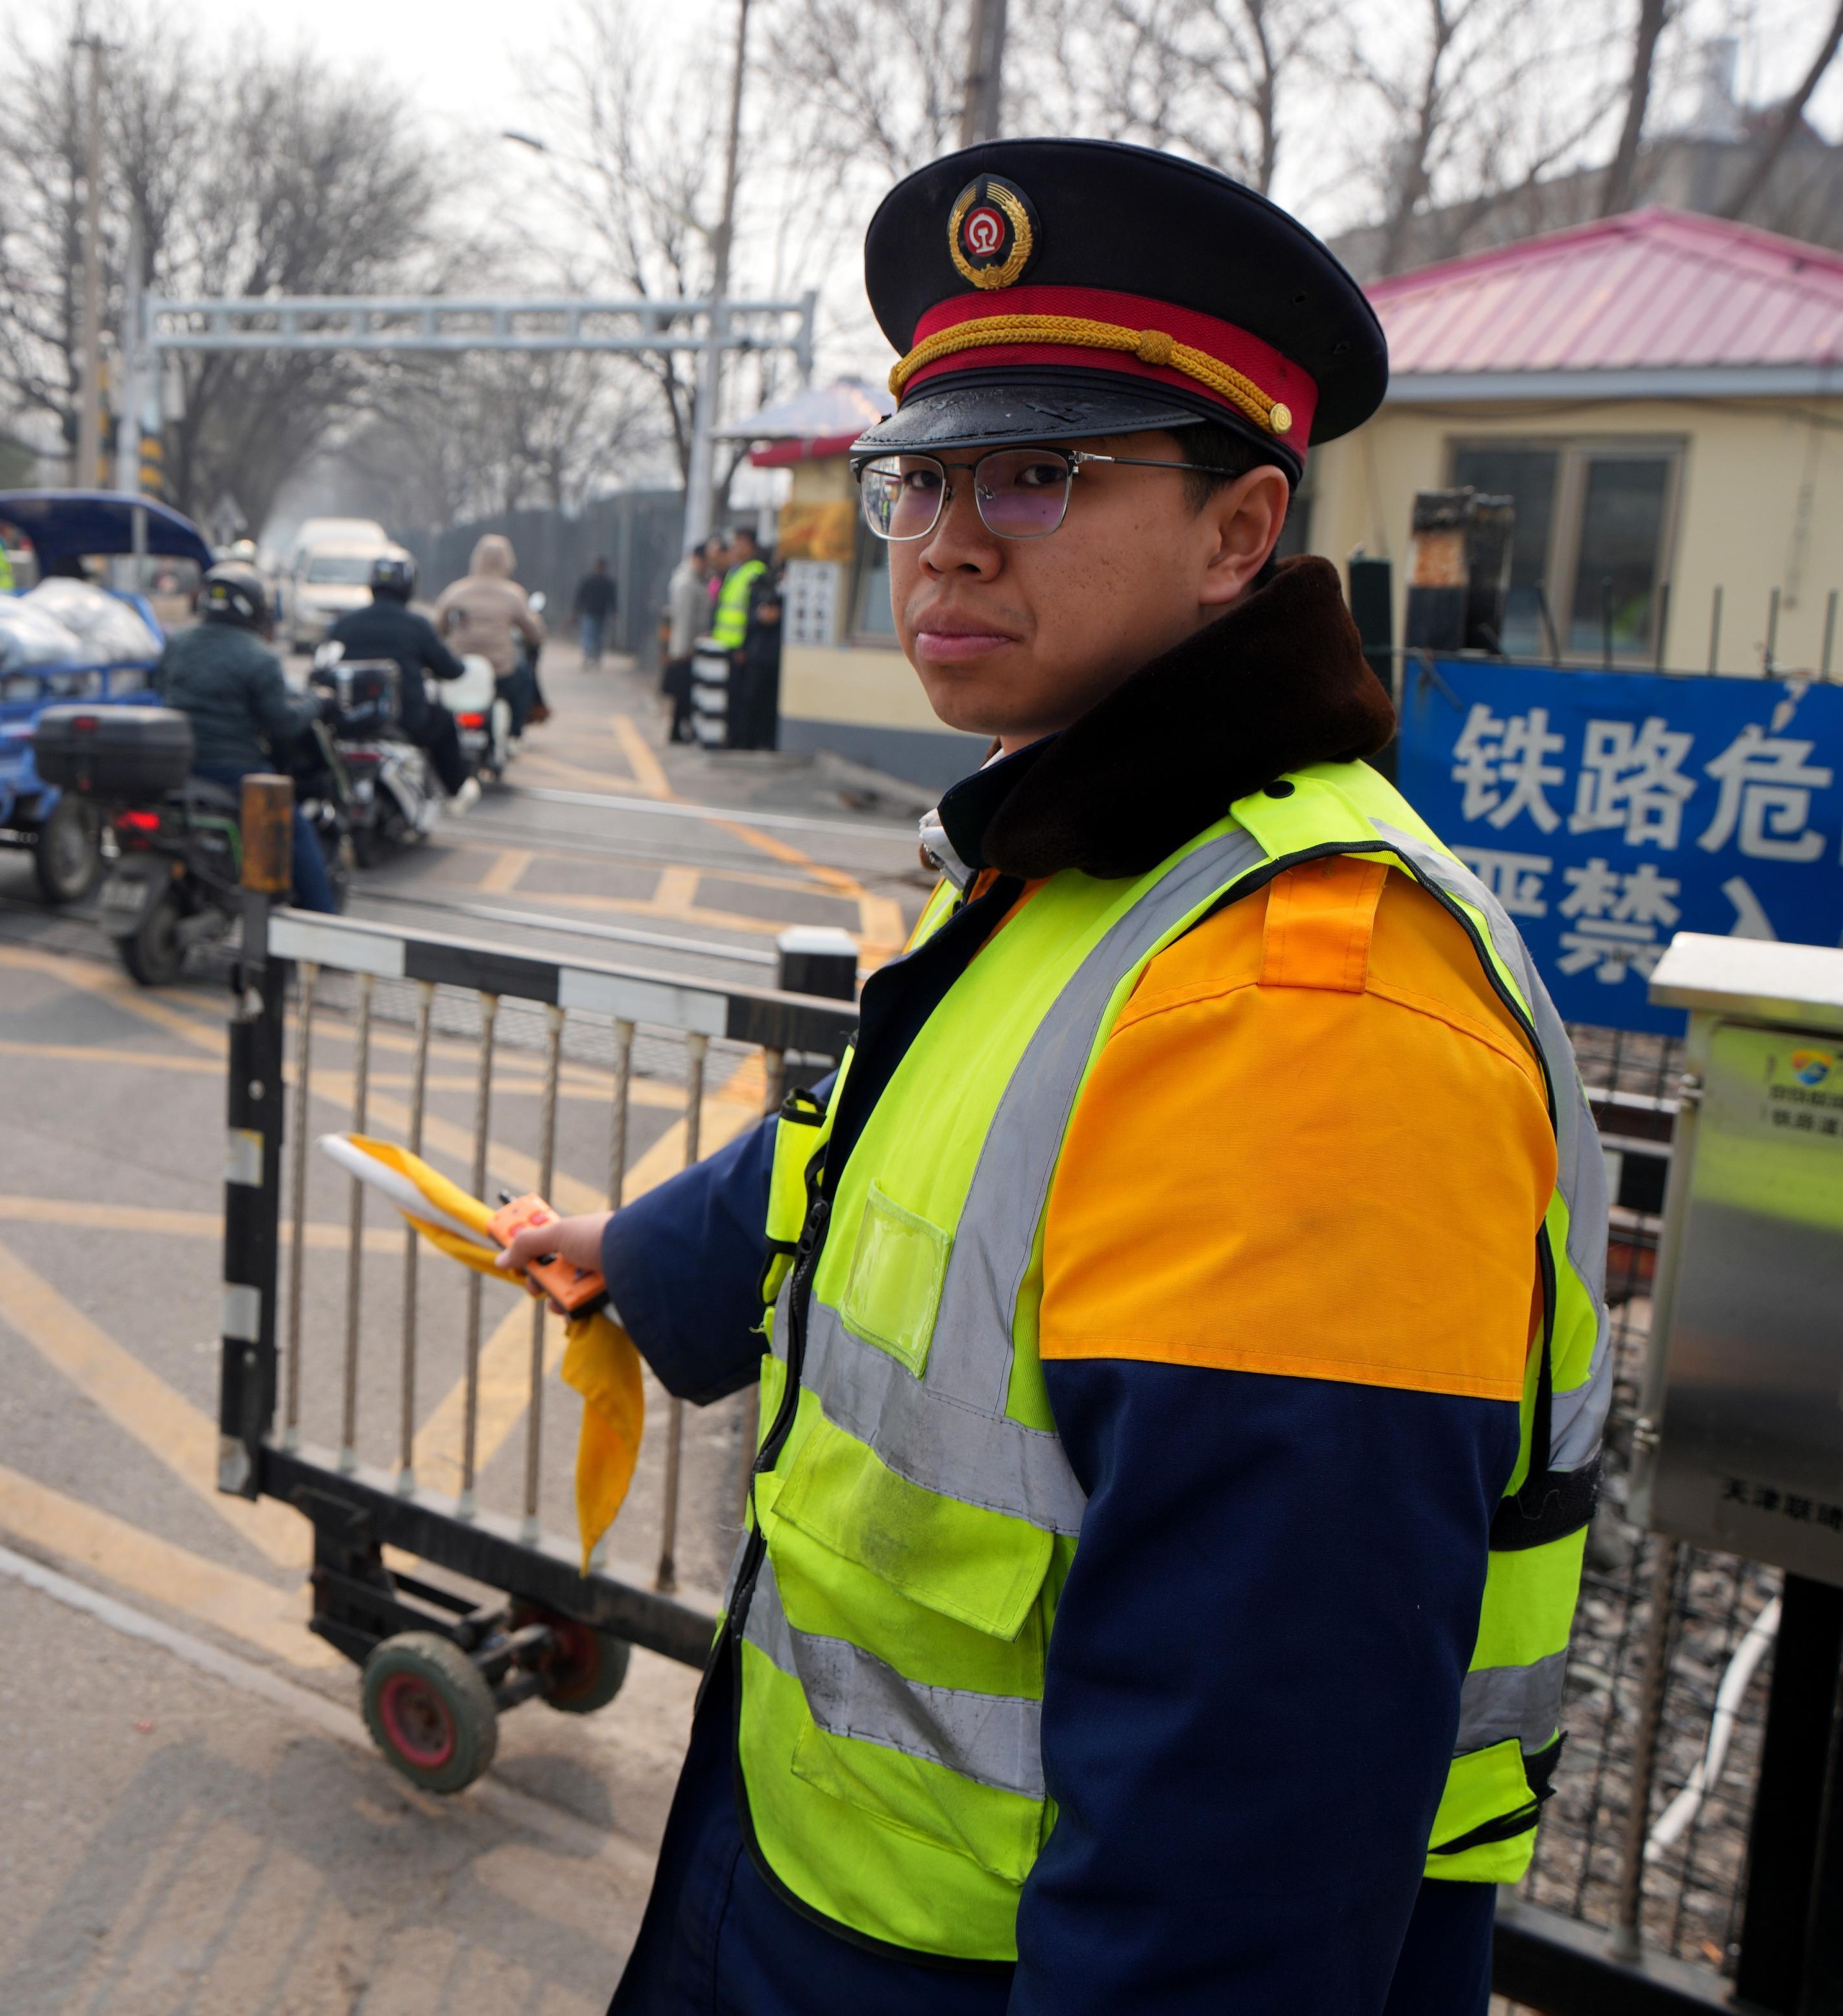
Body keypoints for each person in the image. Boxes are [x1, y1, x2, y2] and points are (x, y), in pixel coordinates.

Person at [496, 137, 1604, 2015]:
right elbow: (886, 1165)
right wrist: (640, 1251)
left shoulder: (1304, 1012)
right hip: (807, 1893)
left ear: (1240, 533)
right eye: (920, 475)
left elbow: (1246, 1836)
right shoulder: (1085, 861)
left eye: (1036, 472)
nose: (944, 535)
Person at [151, 563, 340, 913]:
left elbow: (160, 688)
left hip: (178, 766)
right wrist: (318, 702)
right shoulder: (258, 656)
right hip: (233, 770)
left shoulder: (176, 643)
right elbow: (282, 722)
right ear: (254, 608)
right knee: (293, 827)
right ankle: (324, 921)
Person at [324, 552, 472, 804]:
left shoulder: (345, 624)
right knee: (444, 720)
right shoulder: (418, 626)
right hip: (407, 722)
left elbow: (324, 668)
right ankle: (455, 791)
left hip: (349, 723)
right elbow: (451, 669)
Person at [433, 533, 549, 731]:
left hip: (459, 667)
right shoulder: (513, 594)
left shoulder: (456, 590)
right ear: (508, 561)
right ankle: (514, 733)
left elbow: (438, 628)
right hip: (500, 671)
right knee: (525, 680)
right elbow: (534, 633)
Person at [692, 525, 767, 748]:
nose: (736, 547)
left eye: (741, 543)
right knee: (723, 697)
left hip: (739, 649)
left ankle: (738, 740)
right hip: (724, 644)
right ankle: (727, 736)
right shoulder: (735, 571)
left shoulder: (756, 572)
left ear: (752, 546)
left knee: (739, 698)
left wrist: (746, 646)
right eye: (735, 543)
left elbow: (753, 614)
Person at [725, 538, 783, 751]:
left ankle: (754, 741)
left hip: (763, 652)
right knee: (746, 699)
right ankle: (744, 741)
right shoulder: (752, 576)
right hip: (751, 649)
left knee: (757, 701)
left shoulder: (756, 574)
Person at [664, 543, 713, 743]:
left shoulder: (694, 580)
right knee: (683, 693)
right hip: (686, 648)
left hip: (689, 645)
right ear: (697, 559)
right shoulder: (687, 583)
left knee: (685, 692)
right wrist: (685, 650)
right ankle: (677, 731)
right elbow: (684, 620)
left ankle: (680, 730)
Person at [574, 556, 619, 670]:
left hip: (600, 613)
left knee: (597, 637)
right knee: (590, 636)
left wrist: (614, 612)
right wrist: (577, 610)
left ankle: (595, 657)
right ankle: (589, 656)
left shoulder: (607, 583)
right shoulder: (590, 581)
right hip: (590, 612)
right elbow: (580, 596)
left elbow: (612, 599)